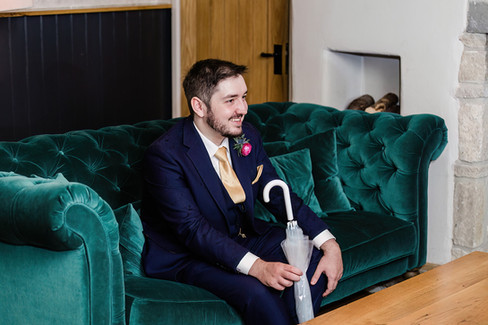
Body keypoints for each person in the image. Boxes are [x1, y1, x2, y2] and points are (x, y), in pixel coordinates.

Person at [141, 59, 343, 325]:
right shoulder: (165, 155)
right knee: (257, 292)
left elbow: (275, 193)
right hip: (185, 255)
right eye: (231, 100)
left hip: (240, 236)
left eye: (244, 97)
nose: (243, 109)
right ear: (199, 106)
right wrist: (258, 267)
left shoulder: (245, 135)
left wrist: (329, 243)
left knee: (312, 257)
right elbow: (192, 230)